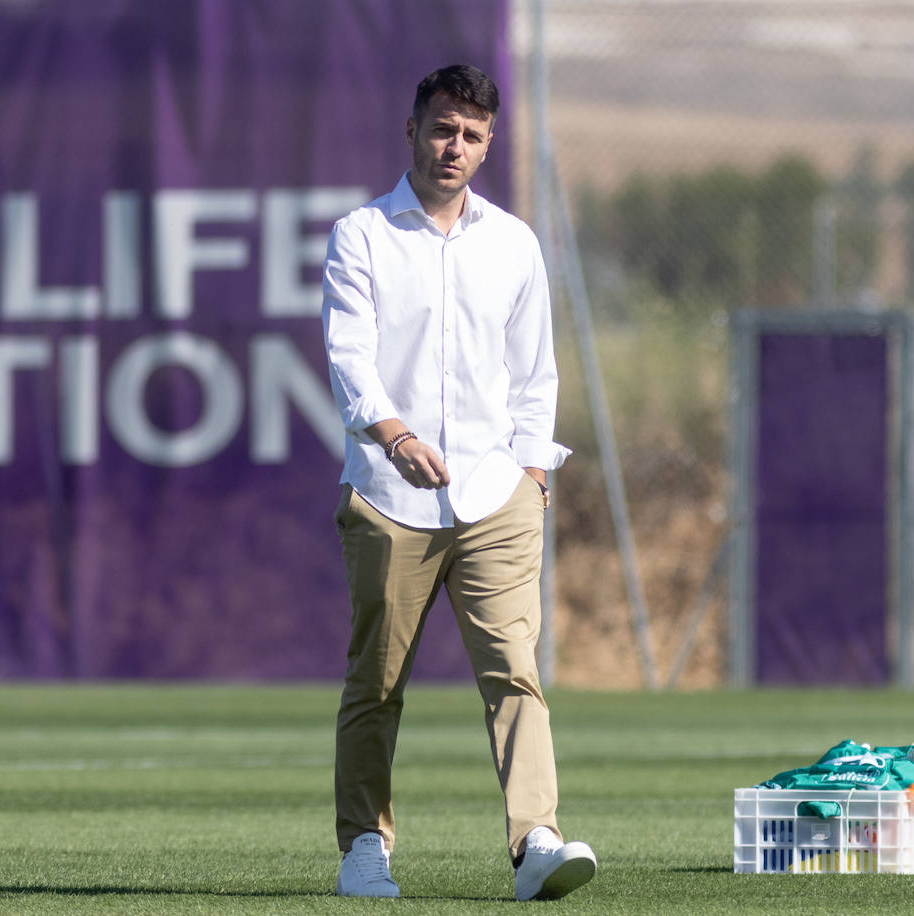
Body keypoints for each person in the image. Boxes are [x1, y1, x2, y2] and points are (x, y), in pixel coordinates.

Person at [321, 63, 595, 901]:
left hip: (497, 497)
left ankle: (536, 842)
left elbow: (533, 375)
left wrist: (532, 469)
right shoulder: (361, 234)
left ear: (488, 145)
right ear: (412, 130)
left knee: (515, 668)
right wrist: (394, 434)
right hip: (387, 495)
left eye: (473, 135)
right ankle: (365, 848)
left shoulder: (514, 243)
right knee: (377, 681)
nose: (456, 146)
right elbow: (348, 356)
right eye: (444, 128)